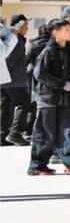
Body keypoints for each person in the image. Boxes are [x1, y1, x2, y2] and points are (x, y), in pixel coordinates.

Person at [27, 19, 70, 175]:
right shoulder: (48, 51)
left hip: (65, 98)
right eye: (66, 30)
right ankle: (37, 166)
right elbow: (40, 74)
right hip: (47, 99)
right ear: (55, 33)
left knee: (66, 131)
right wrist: (63, 84)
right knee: (45, 133)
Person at [2, 14, 31, 146]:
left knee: (5, 105)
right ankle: (15, 133)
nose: (27, 28)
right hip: (15, 81)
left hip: (6, 80)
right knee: (23, 104)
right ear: (18, 26)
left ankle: (2, 135)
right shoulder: (16, 41)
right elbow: (9, 60)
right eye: (25, 25)